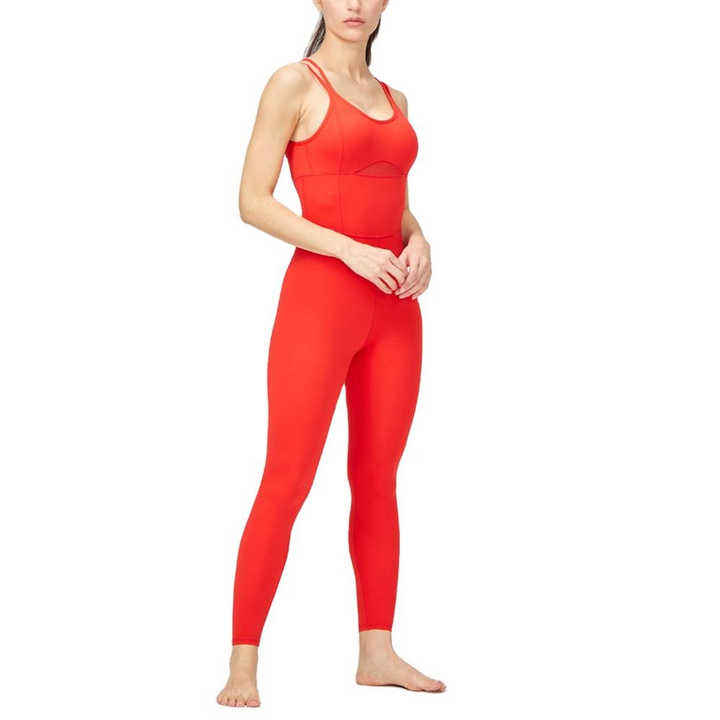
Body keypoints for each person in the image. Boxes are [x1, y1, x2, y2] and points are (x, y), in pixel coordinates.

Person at [217, 1, 443, 707]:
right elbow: (253, 200)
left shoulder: (395, 98)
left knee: (378, 479)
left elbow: (391, 200)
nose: (354, 5)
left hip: (394, 308)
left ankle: (377, 652)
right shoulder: (293, 83)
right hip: (320, 302)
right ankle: (243, 664)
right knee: (286, 478)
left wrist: (419, 239)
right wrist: (348, 249)